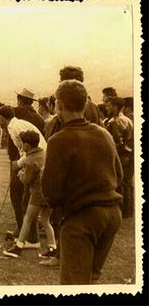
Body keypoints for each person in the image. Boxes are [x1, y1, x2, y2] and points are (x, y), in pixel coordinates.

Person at [41, 79, 123, 284]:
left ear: (58, 106)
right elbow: (119, 175)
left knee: (74, 284)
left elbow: (51, 192)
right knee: (90, 280)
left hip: (82, 220)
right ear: (85, 104)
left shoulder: (58, 140)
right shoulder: (103, 133)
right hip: (112, 216)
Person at [0, 81, 44, 248]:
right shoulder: (39, 118)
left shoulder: (15, 114)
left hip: (21, 161)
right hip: (36, 161)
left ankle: (25, 232)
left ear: (20, 100)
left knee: (18, 196)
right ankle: (22, 231)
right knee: (28, 197)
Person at [3, 130, 56, 259]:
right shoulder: (43, 153)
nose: (21, 146)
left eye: (23, 143)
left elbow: (26, 180)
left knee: (27, 218)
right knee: (45, 220)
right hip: (50, 192)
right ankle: (53, 247)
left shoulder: (31, 160)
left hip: (38, 193)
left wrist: (20, 174)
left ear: (27, 145)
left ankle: (18, 247)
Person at [104, 97, 134, 218]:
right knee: (126, 182)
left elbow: (118, 141)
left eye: (109, 105)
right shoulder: (126, 119)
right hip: (129, 153)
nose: (106, 107)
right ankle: (128, 209)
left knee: (120, 182)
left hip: (122, 155)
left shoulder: (115, 121)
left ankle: (122, 210)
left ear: (116, 106)